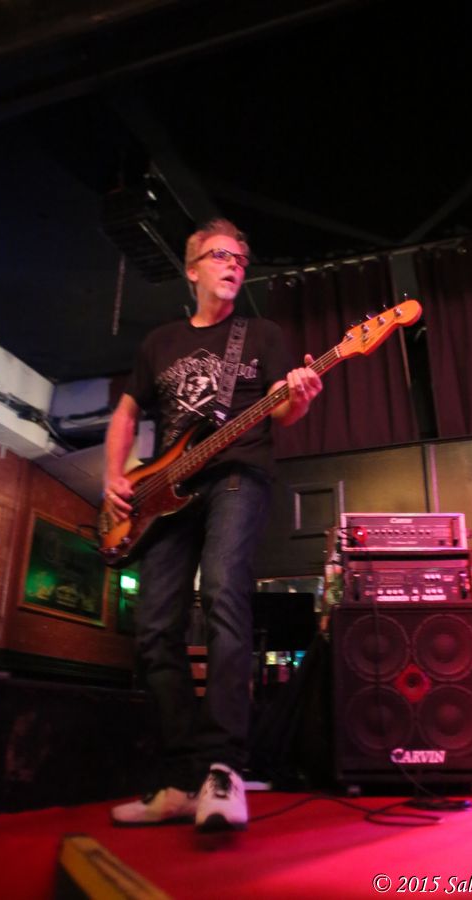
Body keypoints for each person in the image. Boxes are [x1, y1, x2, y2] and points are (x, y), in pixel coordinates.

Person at [104, 218, 322, 832]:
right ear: (192, 267)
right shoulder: (160, 342)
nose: (234, 265)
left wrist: (300, 395)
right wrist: (114, 475)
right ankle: (181, 779)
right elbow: (126, 413)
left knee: (223, 590)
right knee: (154, 627)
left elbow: (285, 411)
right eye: (221, 255)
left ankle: (223, 768)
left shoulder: (263, 334)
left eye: (241, 259)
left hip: (236, 475)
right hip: (163, 492)